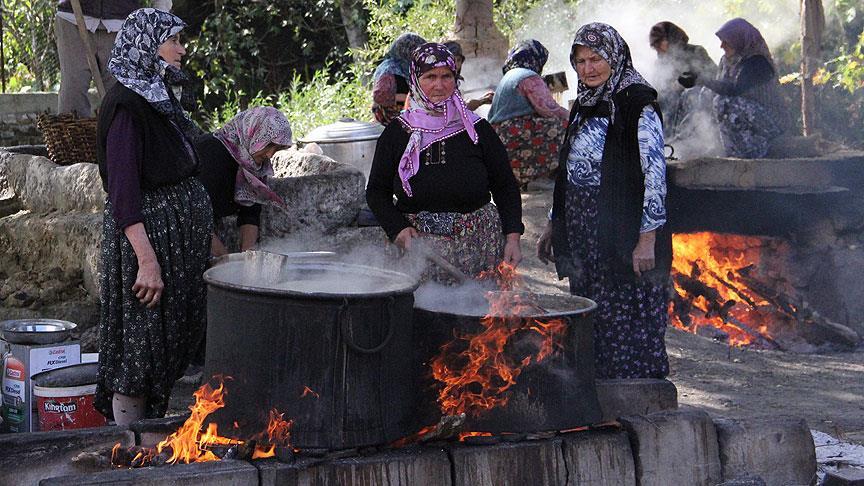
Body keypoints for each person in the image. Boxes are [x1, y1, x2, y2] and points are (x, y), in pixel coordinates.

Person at [94, 8, 212, 424]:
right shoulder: (127, 106)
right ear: (148, 45)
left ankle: (147, 440)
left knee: (163, 347)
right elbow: (124, 194)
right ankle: (128, 450)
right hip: (148, 244)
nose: (182, 50)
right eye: (174, 40)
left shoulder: (158, 95)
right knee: (139, 351)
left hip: (171, 240)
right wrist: (147, 261)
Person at [537, 23, 672, 379]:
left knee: (626, 304)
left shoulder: (637, 104)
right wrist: (554, 221)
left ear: (614, 57)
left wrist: (647, 239)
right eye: (580, 60)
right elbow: (567, 168)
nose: (588, 68)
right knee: (590, 303)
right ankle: (598, 386)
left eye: (596, 58)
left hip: (622, 223)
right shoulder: (584, 102)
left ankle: (635, 390)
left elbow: (655, 176)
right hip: (583, 222)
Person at [366, 42, 524, 283]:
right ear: (415, 80)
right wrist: (397, 228)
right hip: (420, 251)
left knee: (478, 315)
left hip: (480, 247)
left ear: (455, 78)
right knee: (425, 316)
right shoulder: (397, 133)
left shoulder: (476, 129)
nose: (439, 85)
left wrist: (513, 237)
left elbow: (505, 185)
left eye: (446, 76)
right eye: (430, 77)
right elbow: (377, 191)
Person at [678, 18, 787, 159]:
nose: (722, 46)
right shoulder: (727, 60)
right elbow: (716, 87)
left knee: (723, 102)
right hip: (745, 117)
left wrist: (701, 79)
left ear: (738, 39)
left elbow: (734, 90)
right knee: (698, 94)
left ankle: (752, 150)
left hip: (770, 121)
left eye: (726, 41)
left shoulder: (757, 62)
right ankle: (705, 144)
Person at [196, 107, 292, 257]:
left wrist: (247, 260)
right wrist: (226, 261)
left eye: (277, 149)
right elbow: (194, 217)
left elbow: (250, 212)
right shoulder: (211, 153)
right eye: (269, 145)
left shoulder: (254, 165)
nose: (270, 154)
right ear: (252, 132)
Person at [55, 0, 173, 116]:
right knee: (72, 96)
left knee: (121, 98)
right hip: (72, 19)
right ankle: (72, 134)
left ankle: (119, 133)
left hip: (121, 25)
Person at [487, 40, 569, 188]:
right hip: (514, 135)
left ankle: (528, 178)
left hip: (498, 138)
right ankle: (540, 176)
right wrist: (574, 116)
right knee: (566, 126)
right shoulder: (529, 77)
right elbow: (549, 110)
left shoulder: (510, 75)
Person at [648, 21, 717, 139]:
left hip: (696, 104)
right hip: (670, 107)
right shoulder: (661, 63)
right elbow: (657, 88)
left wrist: (690, 81)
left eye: (659, 43)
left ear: (671, 39)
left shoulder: (696, 52)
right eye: (655, 45)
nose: (657, 48)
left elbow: (713, 77)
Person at [371, 33, 426, 125]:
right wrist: (412, 100)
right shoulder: (390, 70)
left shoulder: (406, 68)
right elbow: (380, 97)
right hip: (391, 121)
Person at [443, 40, 494, 111]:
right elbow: (454, 111)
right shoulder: (439, 83)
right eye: (452, 60)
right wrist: (480, 101)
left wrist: (483, 100)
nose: (456, 64)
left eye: (458, 60)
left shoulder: (454, 82)